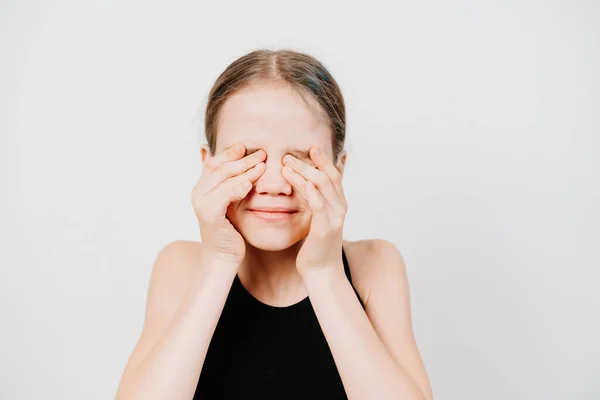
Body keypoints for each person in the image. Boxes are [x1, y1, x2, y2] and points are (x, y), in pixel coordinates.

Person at [115, 49, 433, 400]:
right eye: (249, 158)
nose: (275, 185)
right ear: (209, 164)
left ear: (337, 169)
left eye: (298, 163)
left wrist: (323, 269)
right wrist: (219, 260)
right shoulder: (180, 266)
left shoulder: (374, 265)